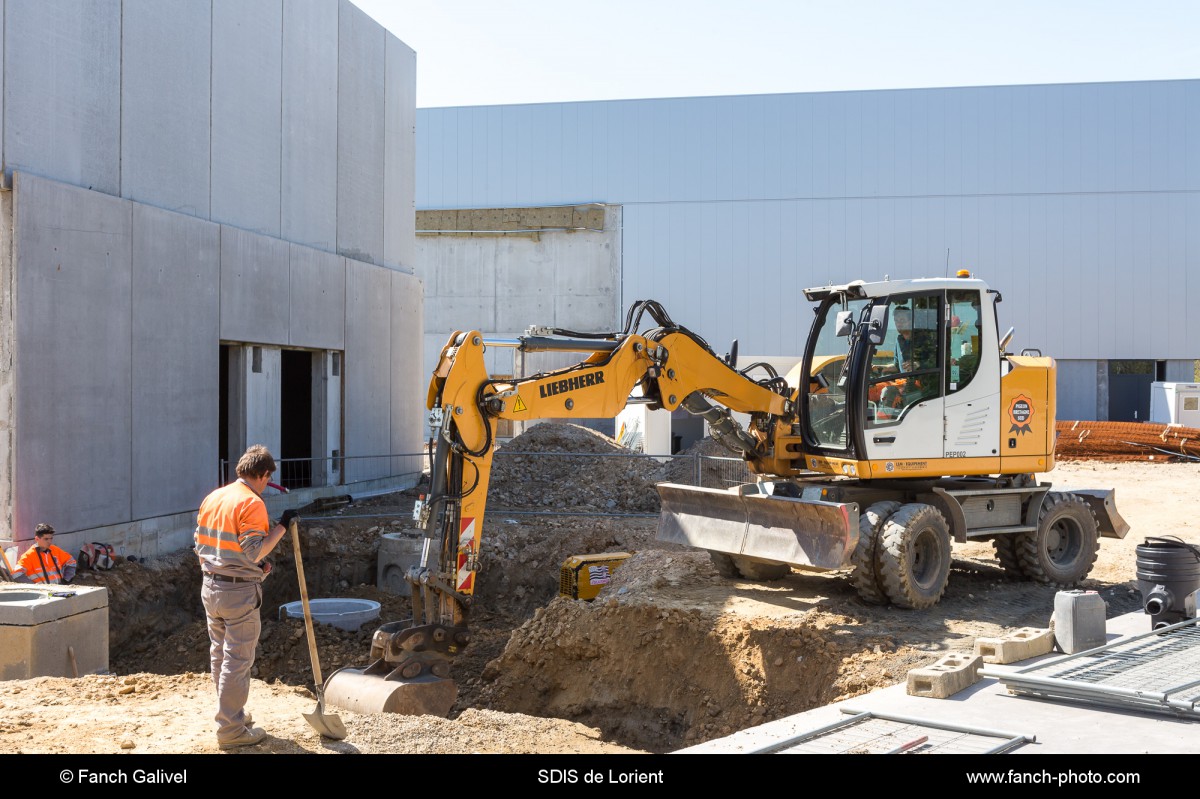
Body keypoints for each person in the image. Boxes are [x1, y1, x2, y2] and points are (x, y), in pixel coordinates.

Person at [194, 444, 298, 750]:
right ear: (264, 474)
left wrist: (229, 568)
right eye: (267, 479)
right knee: (237, 661)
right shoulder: (252, 503)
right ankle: (230, 729)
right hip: (237, 592)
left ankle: (232, 713)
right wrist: (282, 526)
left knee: (219, 653)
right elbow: (255, 550)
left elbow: (200, 543)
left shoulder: (215, 497)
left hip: (211, 585)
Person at [12, 523, 76, 584]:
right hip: (43, 593)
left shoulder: (55, 550)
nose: (49, 542)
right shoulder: (29, 555)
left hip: (59, 589)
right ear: (37, 539)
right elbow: (16, 574)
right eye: (46, 539)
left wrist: (66, 579)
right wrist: (34, 588)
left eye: (51, 538)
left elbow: (71, 561)